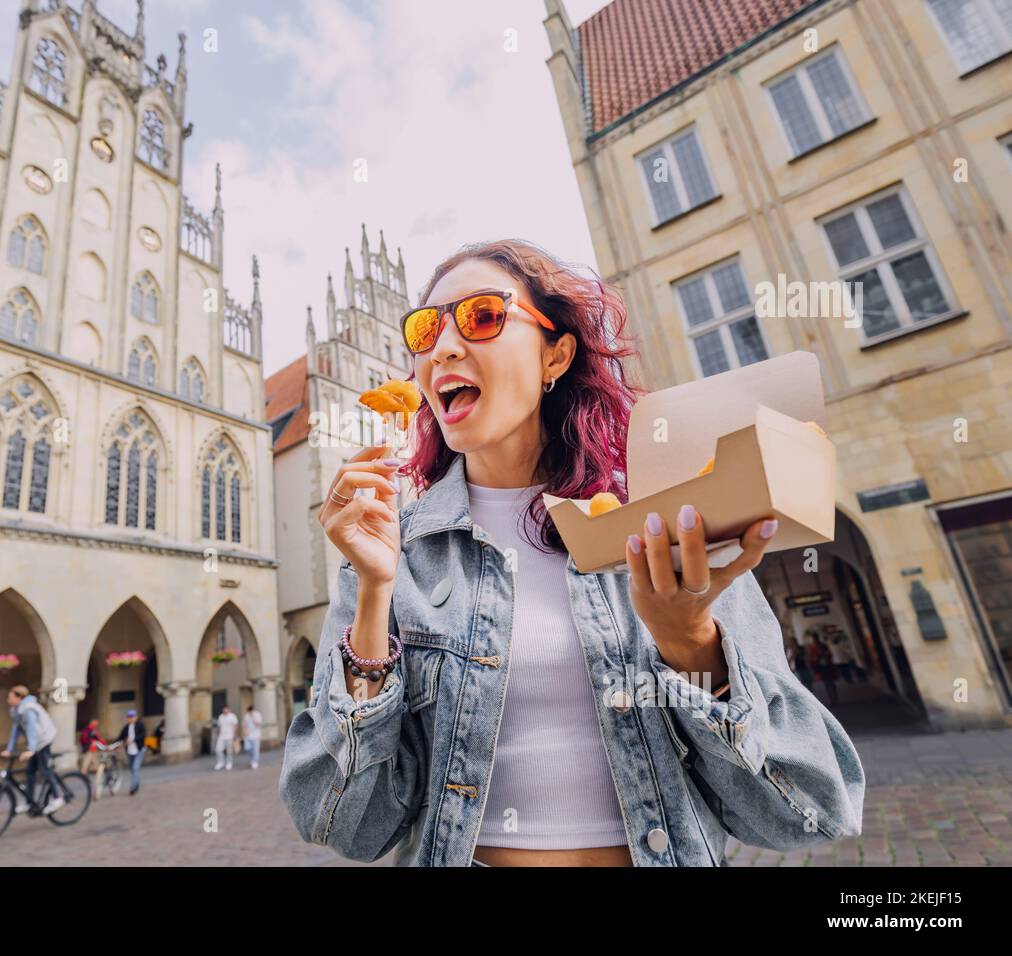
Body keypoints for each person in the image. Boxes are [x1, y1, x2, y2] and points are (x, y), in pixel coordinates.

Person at [278, 239, 864, 866]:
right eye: (425, 330)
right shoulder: (394, 551)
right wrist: (371, 599)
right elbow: (343, 826)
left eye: (481, 316)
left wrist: (690, 644)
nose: (443, 347)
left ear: (555, 352)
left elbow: (808, 808)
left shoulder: (660, 525)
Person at [1, 685, 63, 814]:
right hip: (35, 742)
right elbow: (16, 729)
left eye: (10, 696)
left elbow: (32, 729)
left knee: (45, 770)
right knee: (30, 772)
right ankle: (29, 802)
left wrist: (31, 749)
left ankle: (58, 798)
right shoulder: (17, 709)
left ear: (19, 697)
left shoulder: (28, 709)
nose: (8, 699)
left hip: (44, 739)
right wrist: (9, 749)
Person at [114, 709, 148, 795]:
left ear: (136, 717)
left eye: (132, 717)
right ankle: (136, 784)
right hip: (130, 751)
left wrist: (133, 739)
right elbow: (120, 737)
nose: (130, 718)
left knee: (135, 768)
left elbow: (143, 735)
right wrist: (114, 745)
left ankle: (133, 787)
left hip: (139, 750)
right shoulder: (126, 727)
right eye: (129, 717)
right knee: (133, 769)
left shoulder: (140, 725)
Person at [213, 705, 239, 771]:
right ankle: (221, 762)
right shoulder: (221, 717)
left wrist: (235, 735)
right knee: (218, 749)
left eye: (226, 709)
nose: (225, 710)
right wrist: (217, 734)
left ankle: (229, 763)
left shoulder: (232, 716)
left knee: (229, 751)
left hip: (230, 736)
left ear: (229, 709)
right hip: (221, 736)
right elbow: (219, 726)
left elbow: (235, 726)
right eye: (224, 709)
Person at [242, 705, 263, 769]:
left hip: (256, 735)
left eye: (251, 711)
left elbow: (258, 723)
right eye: (249, 711)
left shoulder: (257, 715)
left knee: (255, 749)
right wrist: (245, 732)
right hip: (248, 735)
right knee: (247, 748)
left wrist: (253, 717)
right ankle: (252, 758)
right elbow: (244, 725)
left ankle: (255, 761)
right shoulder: (246, 716)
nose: (250, 712)